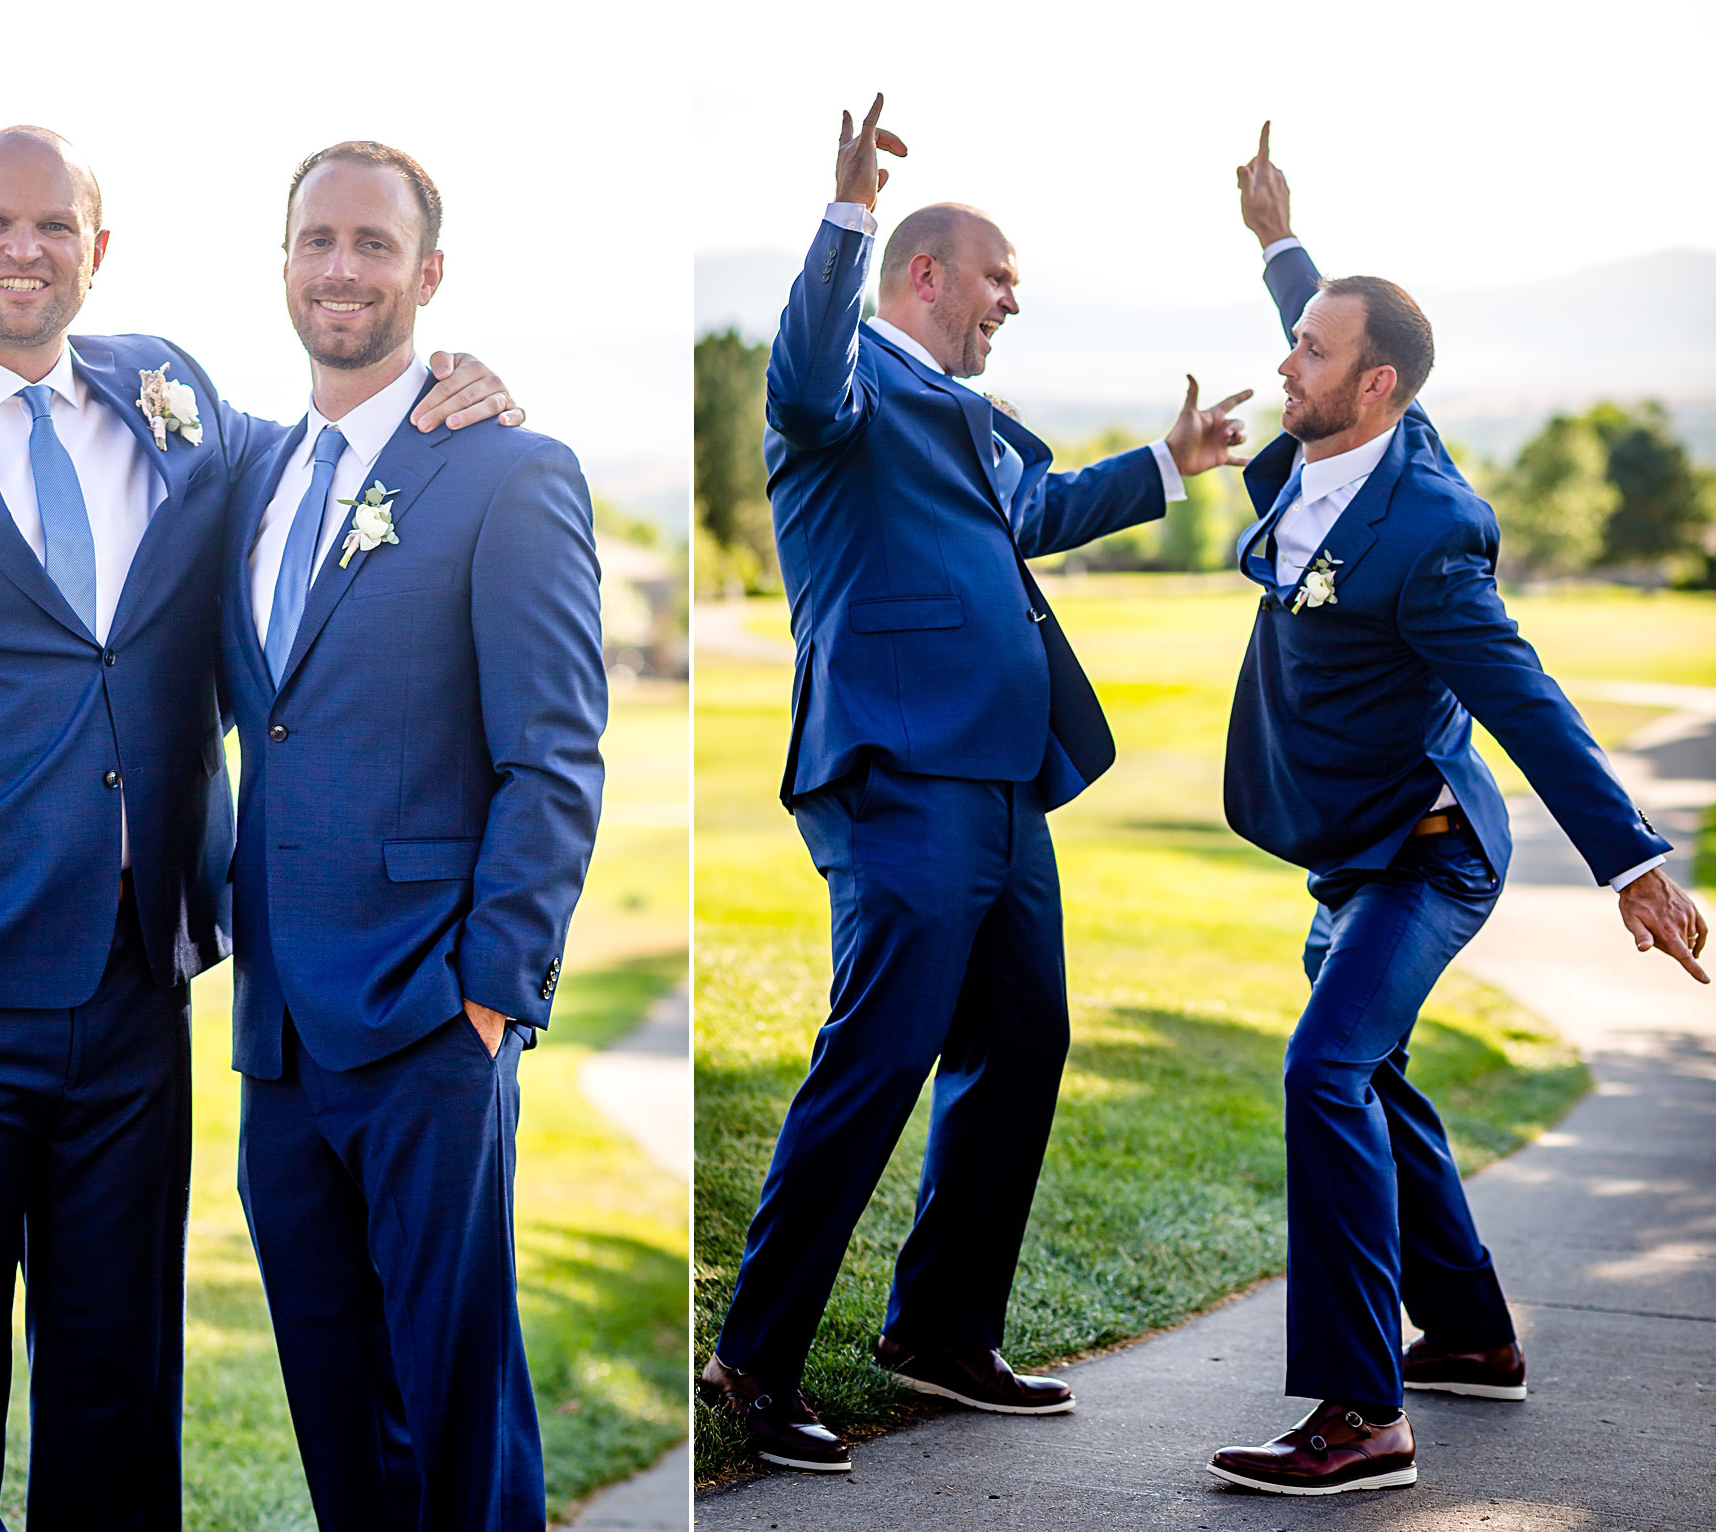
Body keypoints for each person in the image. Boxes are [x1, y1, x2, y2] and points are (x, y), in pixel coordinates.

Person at [0, 125, 517, 1525]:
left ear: (101, 250)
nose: (22, 249)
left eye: (54, 226)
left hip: (137, 997)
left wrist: (449, 385)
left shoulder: (178, 400)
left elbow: (325, 474)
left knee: (117, 1391)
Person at [697, 94, 1253, 1473]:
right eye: (997, 276)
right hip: (898, 766)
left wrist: (1165, 471)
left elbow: (1038, 511)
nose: (1015, 298)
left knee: (1027, 1038)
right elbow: (806, 358)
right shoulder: (841, 389)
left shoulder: (976, 414)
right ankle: (752, 1360)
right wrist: (846, 216)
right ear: (925, 276)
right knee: (880, 1053)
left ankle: (941, 1332)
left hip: (1008, 783)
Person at [1204, 124, 1709, 1498]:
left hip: (1428, 856)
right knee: (1373, 1074)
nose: (1281, 361)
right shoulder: (1356, 417)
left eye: (1308, 351)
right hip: (1348, 851)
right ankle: (1476, 1339)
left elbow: (1530, 702)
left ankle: (1363, 1417)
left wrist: (1634, 868)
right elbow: (1340, 331)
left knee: (1324, 1070)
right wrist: (1277, 242)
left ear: (1372, 388)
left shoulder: (1429, 531)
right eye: (1290, 338)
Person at [222, 140, 608, 1532]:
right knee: (338, 1415)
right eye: (317, 240)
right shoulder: (250, 477)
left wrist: (493, 999)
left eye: (374, 245)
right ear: (282, 265)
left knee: (456, 1416)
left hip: (430, 1027)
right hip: (275, 1043)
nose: (342, 268)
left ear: (427, 275)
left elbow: (554, 755)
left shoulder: (509, 471)